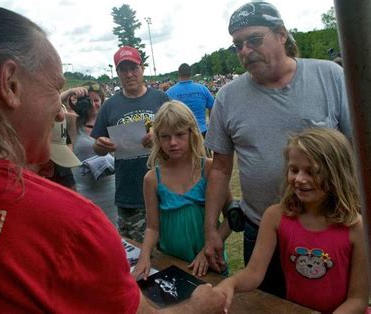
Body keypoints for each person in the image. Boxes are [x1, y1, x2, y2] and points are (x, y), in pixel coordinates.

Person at [0, 6, 226, 313]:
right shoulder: (72, 224)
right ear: (9, 85)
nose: (60, 111)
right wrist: (199, 308)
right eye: (55, 89)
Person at [204, 1, 352, 297]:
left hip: (326, 228)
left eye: (254, 40)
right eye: (237, 45)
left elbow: (356, 151)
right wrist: (211, 229)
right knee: (263, 304)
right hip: (260, 229)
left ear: (282, 34)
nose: (245, 51)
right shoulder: (227, 96)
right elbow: (220, 167)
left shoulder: (329, 76)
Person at [215, 128, 369, 313]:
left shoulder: (357, 227)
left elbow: (358, 299)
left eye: (312, 172)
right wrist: (230, 283)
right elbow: (253, 273)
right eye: (294, 170)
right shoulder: (275, 216)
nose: (299, 179)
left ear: (337, 174)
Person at [132, 101, 232, 280]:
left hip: (210, 261)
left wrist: (208, 248)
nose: (173, 143)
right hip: (172, 264)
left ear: (191, 133)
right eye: (165, 136)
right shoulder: (152, 179)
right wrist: (144, 256)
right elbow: (152, 227)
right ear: (157, 139)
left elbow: (231, 215)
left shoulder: (210, 170)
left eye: (179, 135)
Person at [92, 45, 170, 243]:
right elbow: (97, 146)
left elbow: (182, 135)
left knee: (170, 251)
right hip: (130, 192)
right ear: (117, 72)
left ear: (142, 68)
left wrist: (159, 137)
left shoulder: (160, 99)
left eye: (133, 68)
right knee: (138, 253)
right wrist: (100, 146)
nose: (129, 74)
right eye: (123, 69)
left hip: (166, 187)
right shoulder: (110, 106)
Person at [72, 92, 117, 226]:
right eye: (88, 101)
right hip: (84, 189)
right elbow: (54, 110)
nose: (93, 104)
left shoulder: (110, 120)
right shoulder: (73, 123)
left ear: (102, 101)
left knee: (112, 228)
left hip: (109, 188)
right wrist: (70, 94)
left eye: (96, 100)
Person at [166, 63, 214, 136]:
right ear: (191, 73)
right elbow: (213, 107)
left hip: (180, 134)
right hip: (201, 131)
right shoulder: (202, 89)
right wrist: (211, 126)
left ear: (178, 74)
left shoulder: (170, 92)